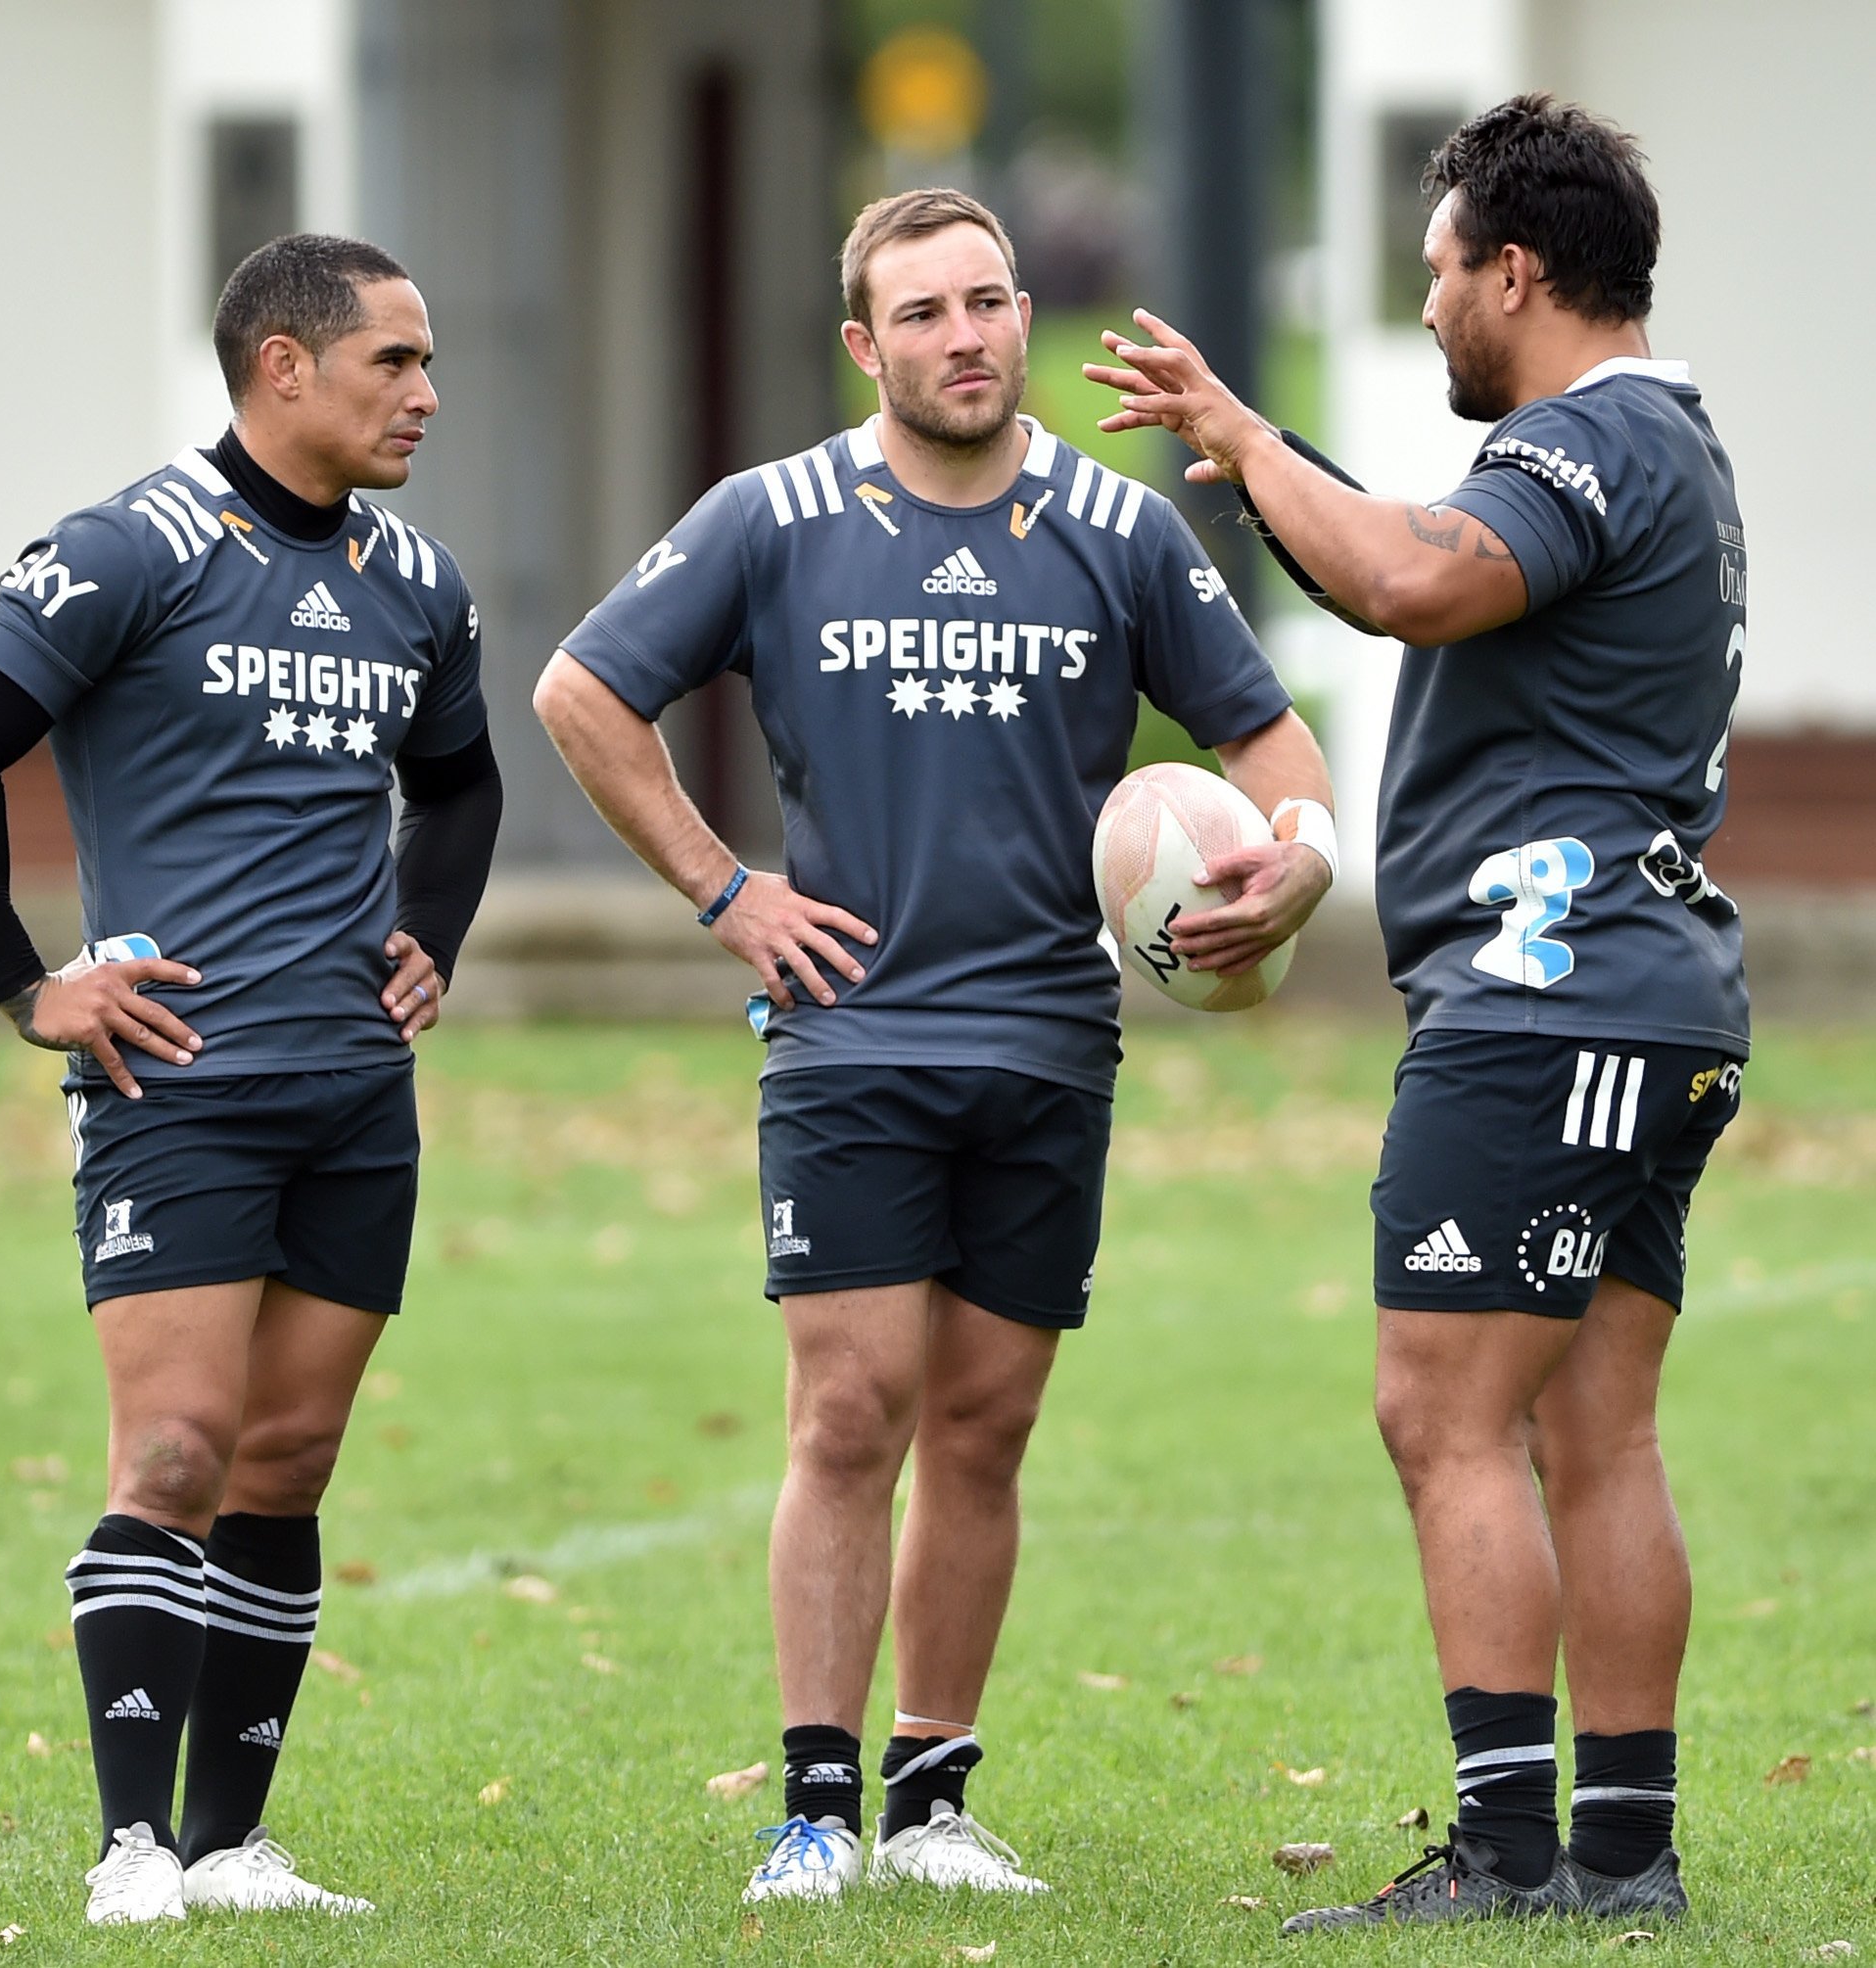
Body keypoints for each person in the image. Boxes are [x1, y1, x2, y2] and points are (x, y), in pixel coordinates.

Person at [535, 187, 1335, 1901]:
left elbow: (1270, 741)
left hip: (1053, 1038)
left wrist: (1302, 869)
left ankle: (934, 1800)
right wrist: (725, 889)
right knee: (850, 1407)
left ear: (1023, 314)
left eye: (986, 302)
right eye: (922, 313)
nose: (962, 336)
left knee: (985, 1425)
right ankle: (816, 1806)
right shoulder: (775, 516)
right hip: (851, 1036)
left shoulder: (1122, 531)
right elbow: (583, 693)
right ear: (864, 345)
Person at [1088, 95, 1746, 1930]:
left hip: (1544, 1005)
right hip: (1653, 1000)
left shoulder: (1585, 442)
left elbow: (1404, 580)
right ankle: (1624, 1860)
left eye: (1440, 272)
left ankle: (1511, 1852)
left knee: (1441, 1414)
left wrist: (1234, 429)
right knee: (1591, 1428)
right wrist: (1271, 453)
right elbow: (1402, 556)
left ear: (1514, 270)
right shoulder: (1660, 440)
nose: (1434, 303)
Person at [0, 234, 501, 1925]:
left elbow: (459, 786)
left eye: (428, 359)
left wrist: (427, 934)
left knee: (287, 1460)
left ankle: (234, 1846)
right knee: (170, 1449)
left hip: (354, 1091)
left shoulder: (419, 583)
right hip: (180, 1083)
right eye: (395, 361)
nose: (427, 393)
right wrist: (31, 988)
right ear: (282, 366)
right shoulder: (125, 551)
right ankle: (130, 1848)